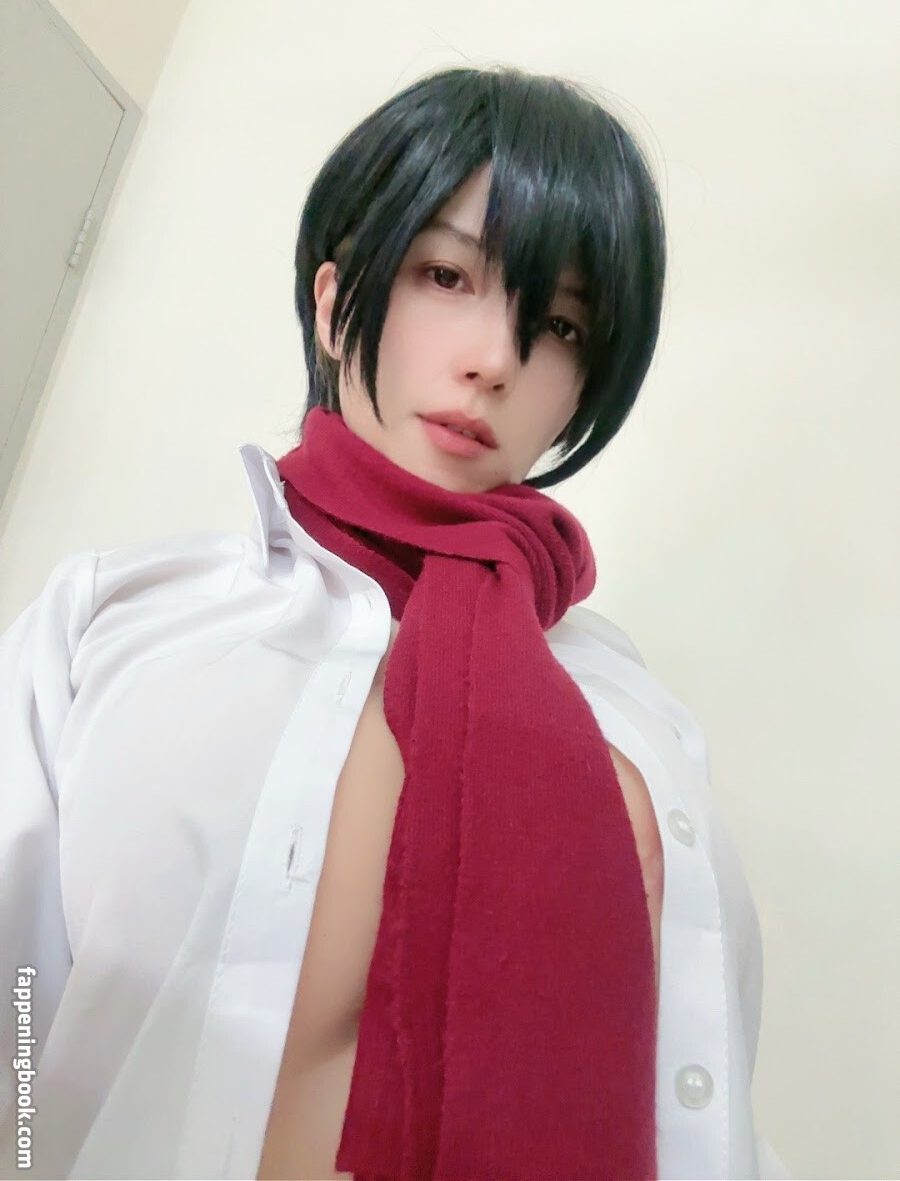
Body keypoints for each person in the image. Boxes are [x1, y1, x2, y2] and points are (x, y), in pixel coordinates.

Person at [0, 64, 791, 1180]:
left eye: (559, 324)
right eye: (445, 274)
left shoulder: (637, 730)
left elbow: (704, 1106)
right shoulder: (112, 628)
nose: (496, 360)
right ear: (334, 304)